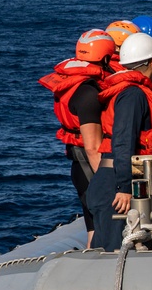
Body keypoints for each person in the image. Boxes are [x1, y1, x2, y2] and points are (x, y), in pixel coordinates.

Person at [86, 32, 152, 251]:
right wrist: (123, 187)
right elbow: (123, 142)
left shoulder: (132, 92)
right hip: (115, 186)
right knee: (113, 253)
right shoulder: (133, 95)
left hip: (116, 180)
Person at [38, 29, 115, 247]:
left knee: (91, 223)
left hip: (78, 164)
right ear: (107, 58)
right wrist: (108, 182)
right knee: (101, 222)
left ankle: (92, 258)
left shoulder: (72, 85)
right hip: (90, 166)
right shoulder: (88, 94)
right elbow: (92, 146)